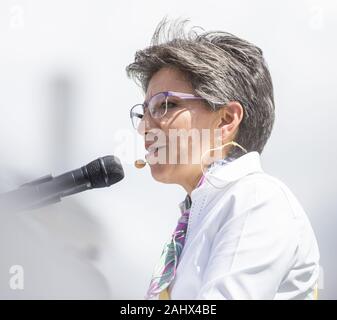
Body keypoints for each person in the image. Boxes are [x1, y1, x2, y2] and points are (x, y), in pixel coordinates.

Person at [126, 18, 320, 300]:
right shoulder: (203, 214)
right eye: (144, 112)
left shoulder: (255, 199)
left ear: (226, 120)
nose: (145, 126)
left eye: (165, 105)